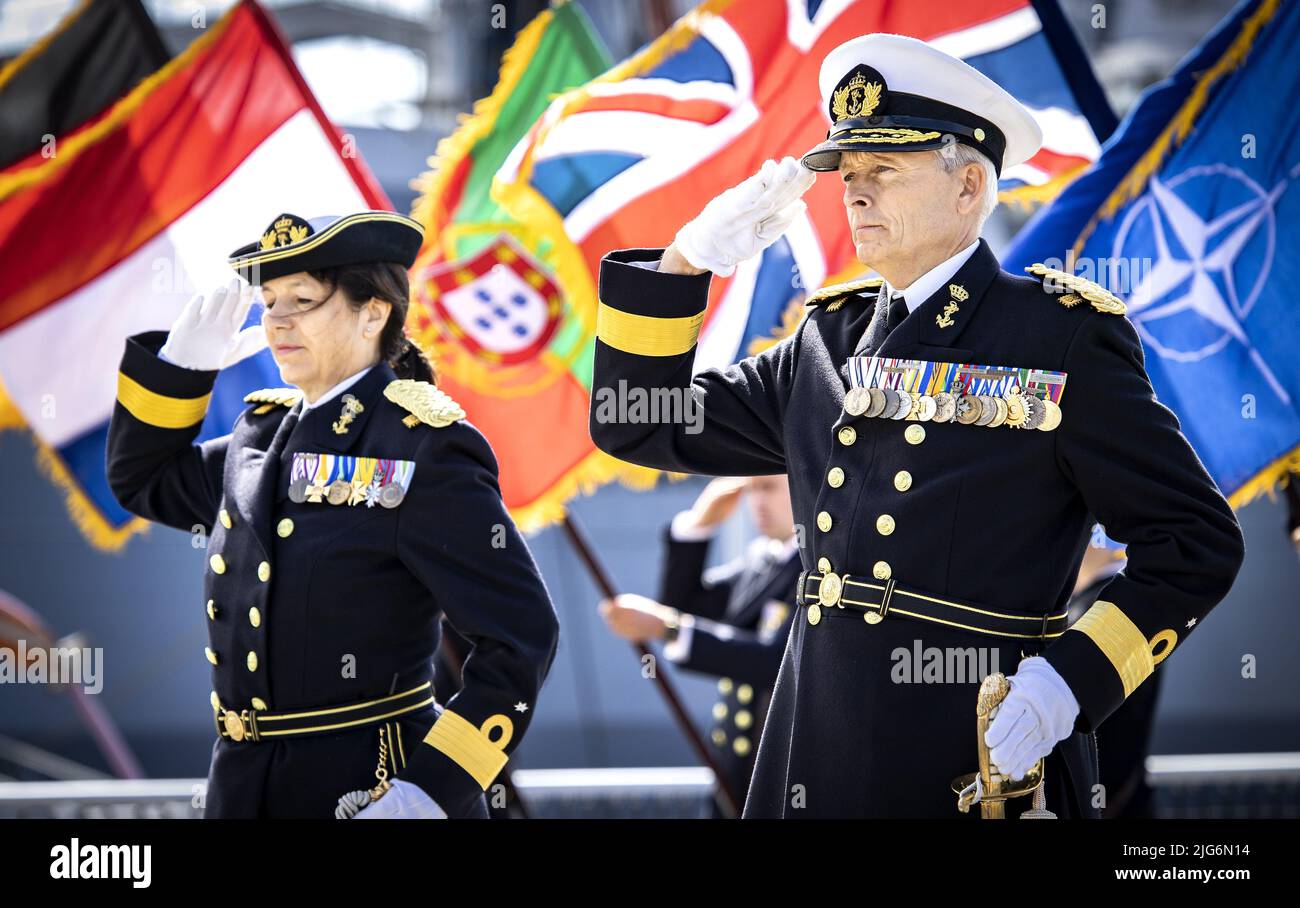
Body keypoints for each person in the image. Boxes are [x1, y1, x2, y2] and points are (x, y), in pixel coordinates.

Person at [588, 34, 1244, 818]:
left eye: (884, 172)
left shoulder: (1057, 336)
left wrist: (1070, 679)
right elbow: (637, 425)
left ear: (969, 185)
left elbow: (1195, 544)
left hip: (971, 749)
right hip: (811, 753)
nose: (855, 194)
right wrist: (683, 266)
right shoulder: (825, 341)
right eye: (849, 175)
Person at [107, 210, 559, 819]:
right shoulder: (258, 436)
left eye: (303, 299)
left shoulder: (422, 445)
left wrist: (429, 793)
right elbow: (144, 481)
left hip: (371, 788)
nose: (277, 321)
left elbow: (521, 635)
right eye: (268, 301)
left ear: (373, 311)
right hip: (243, 787)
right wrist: (180, 372)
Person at [599, 475, 801, 814]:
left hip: (783, 770)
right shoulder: (764, 560)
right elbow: (686, 604)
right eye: (751, 489)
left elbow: (778, 663)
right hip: (736, 769)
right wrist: (698, 525)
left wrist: (672, 629)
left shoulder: (816, 570)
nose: (757, 501)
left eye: (767, 487)